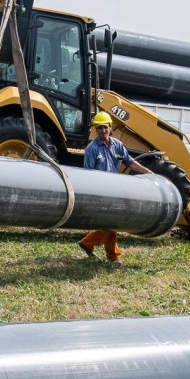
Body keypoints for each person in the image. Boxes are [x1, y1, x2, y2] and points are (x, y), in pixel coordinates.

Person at [77, 110, 152, 265]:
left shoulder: (118, 146)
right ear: (96, 129)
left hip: (115, 191)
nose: (103, 130)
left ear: (111, 127)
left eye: (105, 127)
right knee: (111, 224)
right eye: (99, 128)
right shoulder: (92, 149)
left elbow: (129, 162)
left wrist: (149, 172)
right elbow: (87, 174)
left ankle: (87, 243)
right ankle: (113, 257)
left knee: (109, 223)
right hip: (101, 192)